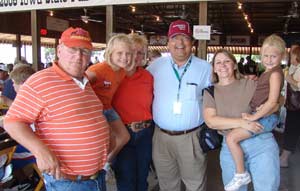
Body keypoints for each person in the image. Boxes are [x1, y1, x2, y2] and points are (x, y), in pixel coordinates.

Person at [4, 27, 110, 191]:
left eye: (84, 51)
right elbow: (12, 121)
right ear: (59, 50)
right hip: (67, 182)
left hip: (95, 177)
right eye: (72, 49)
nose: (78, 56)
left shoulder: (86, 81)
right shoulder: (40, 81)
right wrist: (40, 151)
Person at [147, 19, 211, 191]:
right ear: (168, 43)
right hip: (161, 138)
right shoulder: (154, 68)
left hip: (191, 138)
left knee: (195, 184)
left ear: (192, 43)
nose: (180, 43)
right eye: (175, 37)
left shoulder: (206, 69)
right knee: (167, 184)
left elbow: (221, 91)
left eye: (185, 38)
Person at [203, 49, 280, 191]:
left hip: (260, 142)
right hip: (230, 146)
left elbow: (279, 99)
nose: (223, 65)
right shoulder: (210, 91)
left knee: (267, 188)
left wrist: (271, 107)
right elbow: (211, 121)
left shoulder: (250, 83)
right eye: (218, 62)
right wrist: (242, 122)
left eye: (227, 61)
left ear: (234, 65)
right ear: (213, 68)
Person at [223, 34, 284, 191]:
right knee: (232, 138)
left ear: (282, 56)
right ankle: (241, 173)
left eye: (273, 56)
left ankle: (241, 173)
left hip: (266, 118)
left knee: (231, 138)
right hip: (264, 116)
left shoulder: (275, 74)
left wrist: (253, 117)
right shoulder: (266, 73)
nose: (269, 59)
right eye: (266, 56)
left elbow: (273, 101)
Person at [112, 33, 154, 191]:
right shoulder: (114, 75)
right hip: (122, 134)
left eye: (141, 53)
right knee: (126, 181)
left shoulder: (148, 76)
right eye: (133, 51)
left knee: (142, 179)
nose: (137, 56)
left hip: (145, 134)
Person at [86, 34, 132, 164]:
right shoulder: (98, 70)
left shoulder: (122, 71)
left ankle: (106, 163)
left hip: (108, 108)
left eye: (128, 54)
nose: (124, 57)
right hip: (95, 111)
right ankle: (96, 163)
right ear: (110, 53)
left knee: (124, 136)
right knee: (102, 140)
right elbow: (80, 84)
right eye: (120, 53)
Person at [280, 46, 300, 167]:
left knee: (291, 130)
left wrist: (288, 78)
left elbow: (297, 86)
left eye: (292, 55)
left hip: (296, 106)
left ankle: (284, 158)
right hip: (293, 105)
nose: (289, 57)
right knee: (290, 129)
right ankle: (284, 156)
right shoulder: (295, 67)